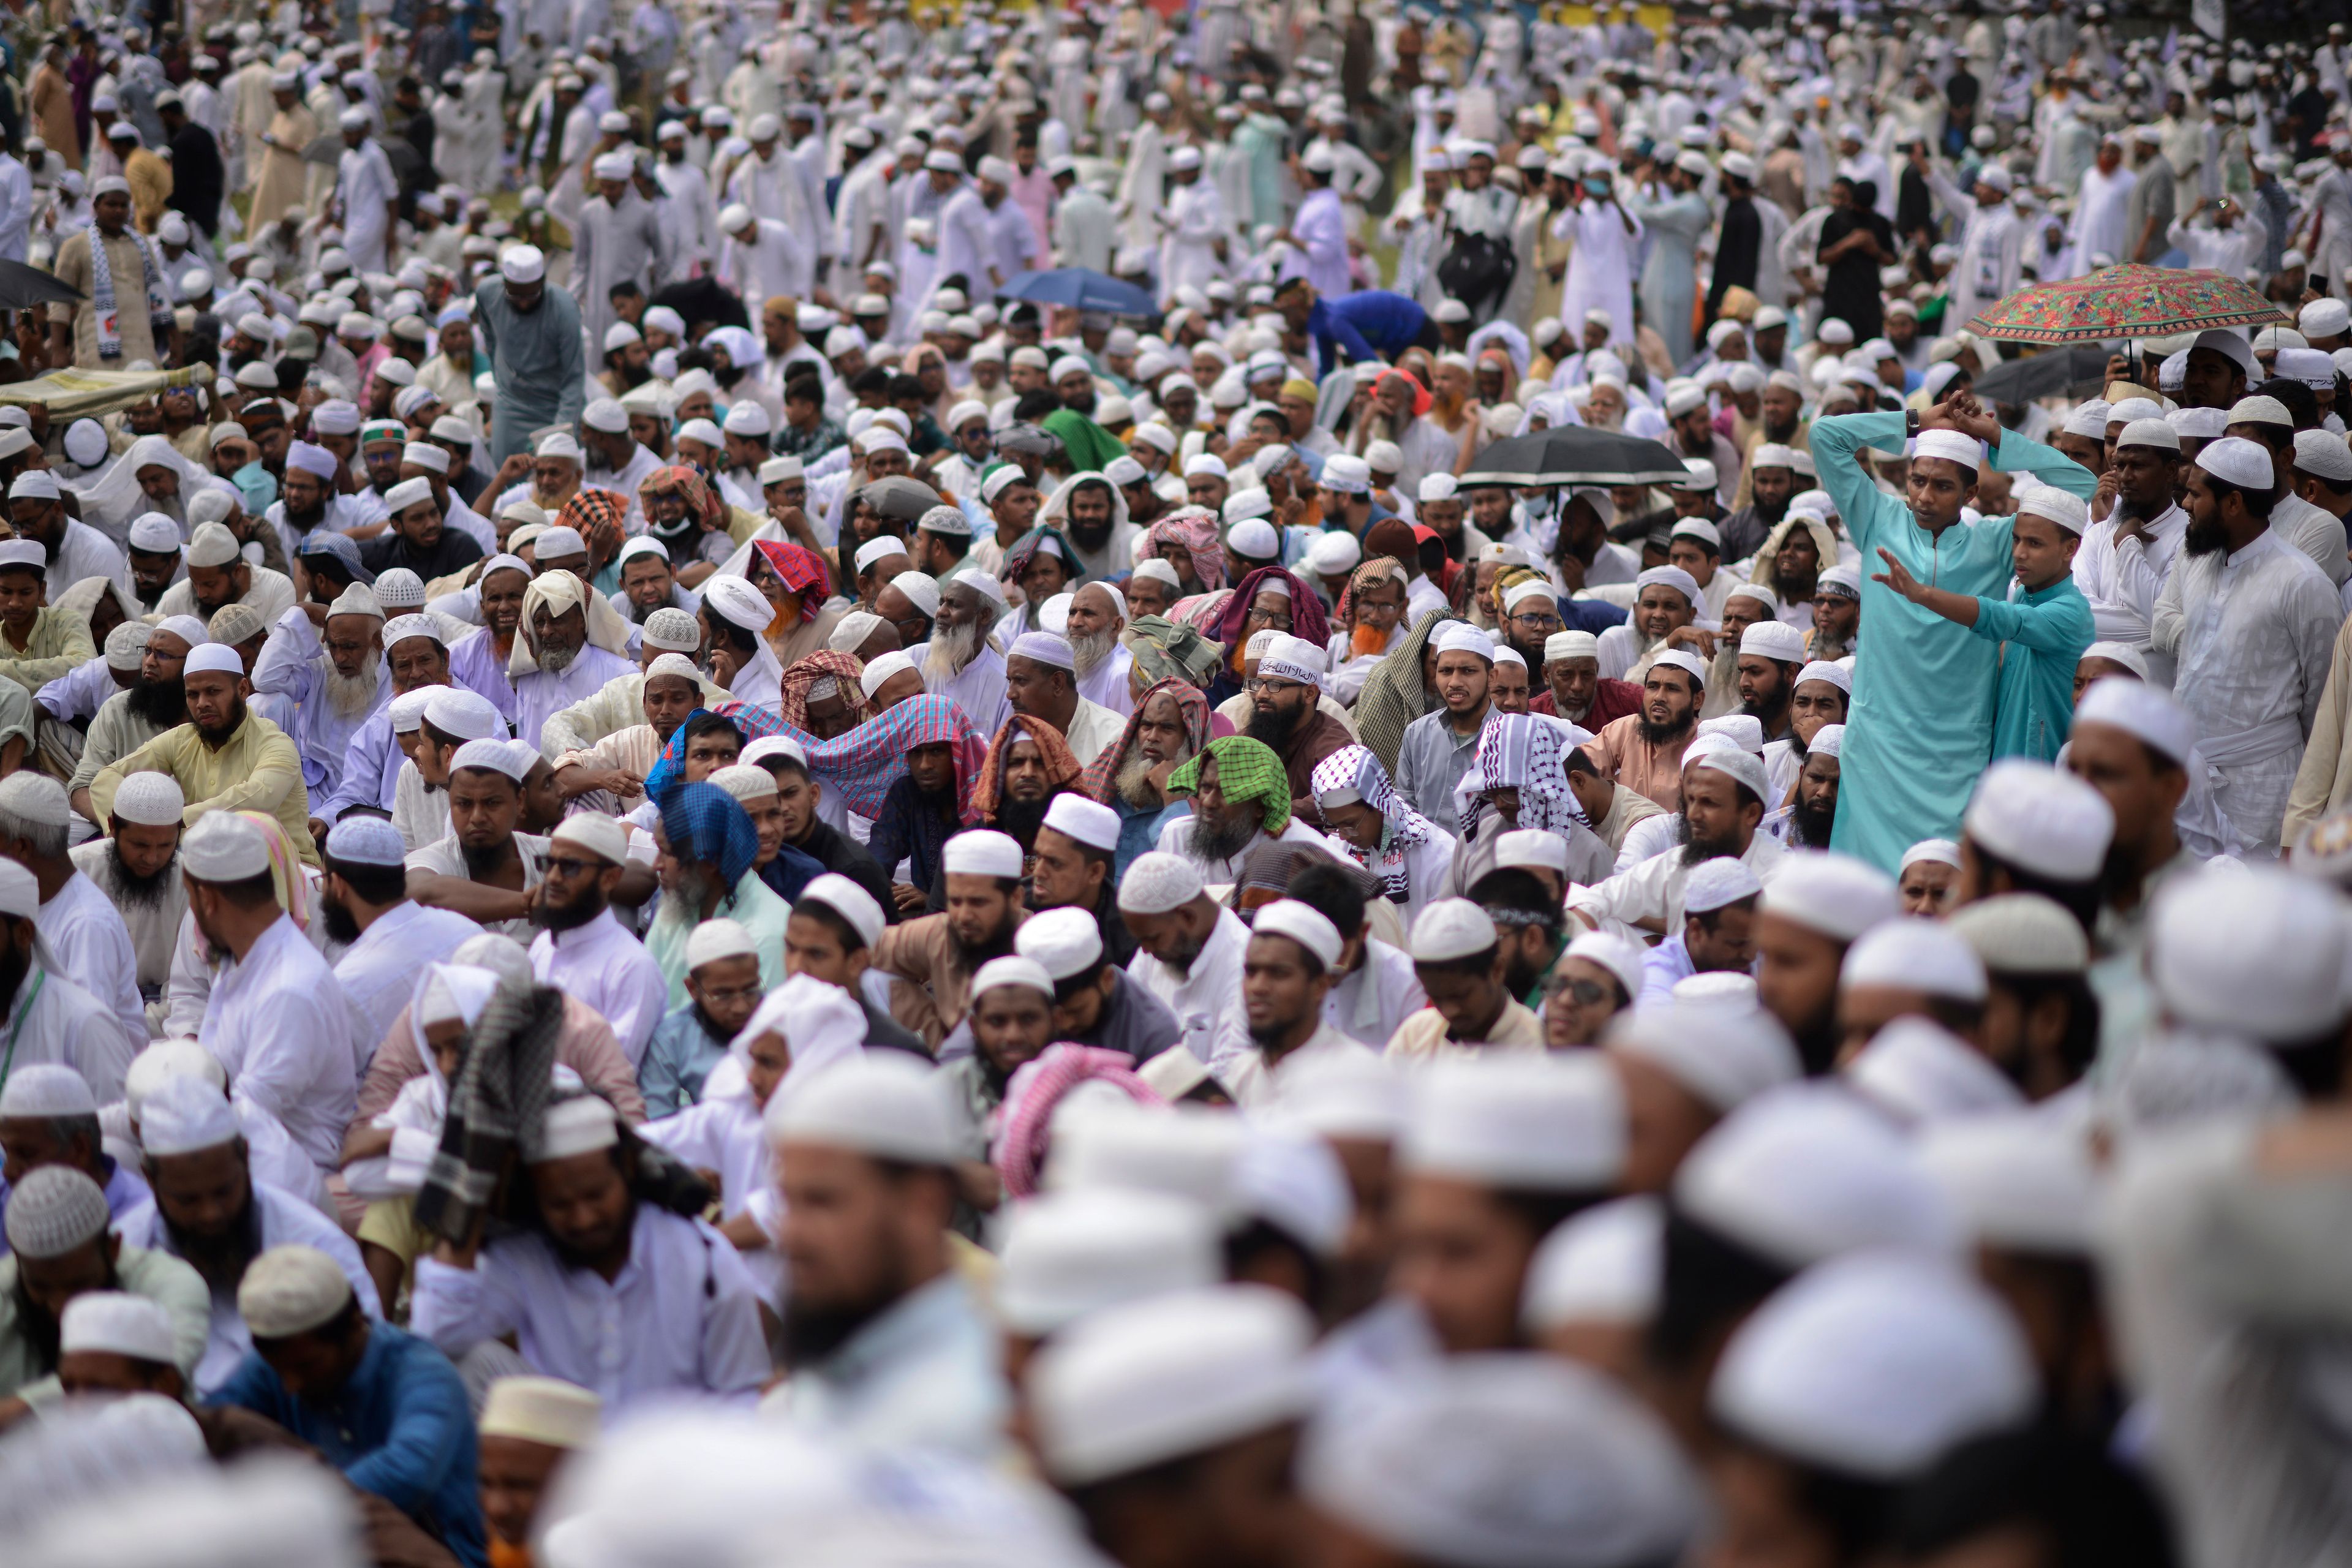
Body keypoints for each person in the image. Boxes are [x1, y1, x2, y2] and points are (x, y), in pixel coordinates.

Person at [1817, 393, 2095, 871]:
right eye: (1917, 481)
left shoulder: (1996, 541)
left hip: (1958, 750)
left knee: (1940, 888)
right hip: (1880, 742)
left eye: (1942, 487)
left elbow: (2080, 484)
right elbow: (1826, 436)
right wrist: (1917, 420)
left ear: (1970, 495)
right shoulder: (1876, 518)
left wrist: (1996, 438)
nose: (1924, 496)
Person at [411, 1095, 771, 1409]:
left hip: (675, 1468)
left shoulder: (702, 1258)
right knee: (466, 1367)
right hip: (566, 1460)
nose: (583, 1219)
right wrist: (470, 1205)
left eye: (596, 1196)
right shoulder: (525, 1257)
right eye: (560, 1204)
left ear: (628, 1170)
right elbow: (437, 1336)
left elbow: (739, 1397)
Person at [766, 1054, 1008, 1457]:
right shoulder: (823, 1373)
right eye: (788, 1202)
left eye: (821, 1202)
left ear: (922, 1204)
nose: (789, 1235)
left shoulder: (979, 1413)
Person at [208, 1243, 484, 1567]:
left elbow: (409, 1469)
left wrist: (286, 1516)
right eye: (279, 1370)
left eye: (307, 1367)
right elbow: (211, 1426)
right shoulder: (280, 1363)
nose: (291, 1386)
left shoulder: (423, 1372)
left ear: (355, 1327)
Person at [112, 1074, 381, 1396]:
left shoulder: (313, 1241)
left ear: (245, 1158)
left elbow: (368, 1352)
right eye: (188, 1200)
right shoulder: (127, 1246)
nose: (211, 1213)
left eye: (224, 1191)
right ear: (150, 1181)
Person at [2152, 435, 2341, 854]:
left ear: (2234, 503)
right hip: (2192, 779)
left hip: (2264, 790)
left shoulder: (2302, 582)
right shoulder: (2198, 561)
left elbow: (2325, 705)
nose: (2184, 505)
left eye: (2196, 494)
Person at [1871, 484, 2095, 763]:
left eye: (2034, 543)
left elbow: (2002, 619)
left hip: (2040, 772)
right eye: (2016, 540)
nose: (2019, 553)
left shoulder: (2071, 613)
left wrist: (1923, 594)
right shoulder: (2026, 593)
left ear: (2070, 548)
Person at [89, 643, 317, 867]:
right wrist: (126, 827)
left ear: (243, 690)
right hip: (206, 866)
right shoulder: (181, 739)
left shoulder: (275, 744)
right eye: (193, 695)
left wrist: (168, 823)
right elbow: (107, 778)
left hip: (290, 871)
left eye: (213, 692)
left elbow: (256, 801)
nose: (202, 704)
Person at [0, 1165, 206, 1408]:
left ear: (113, 1249)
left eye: (78, 1285)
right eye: (41, 1288)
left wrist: (24, 1407)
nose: (61, 1306)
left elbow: (161, 1367)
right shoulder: (6, 1285)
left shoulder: (171, 1281)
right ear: (17, 1261)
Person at [527, 813, 668, 1067]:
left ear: (610, 878)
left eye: (570, 866)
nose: (553, 878)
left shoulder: (632, 967)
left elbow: (612, 1071)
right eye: (549, 863)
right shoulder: (543, 945)